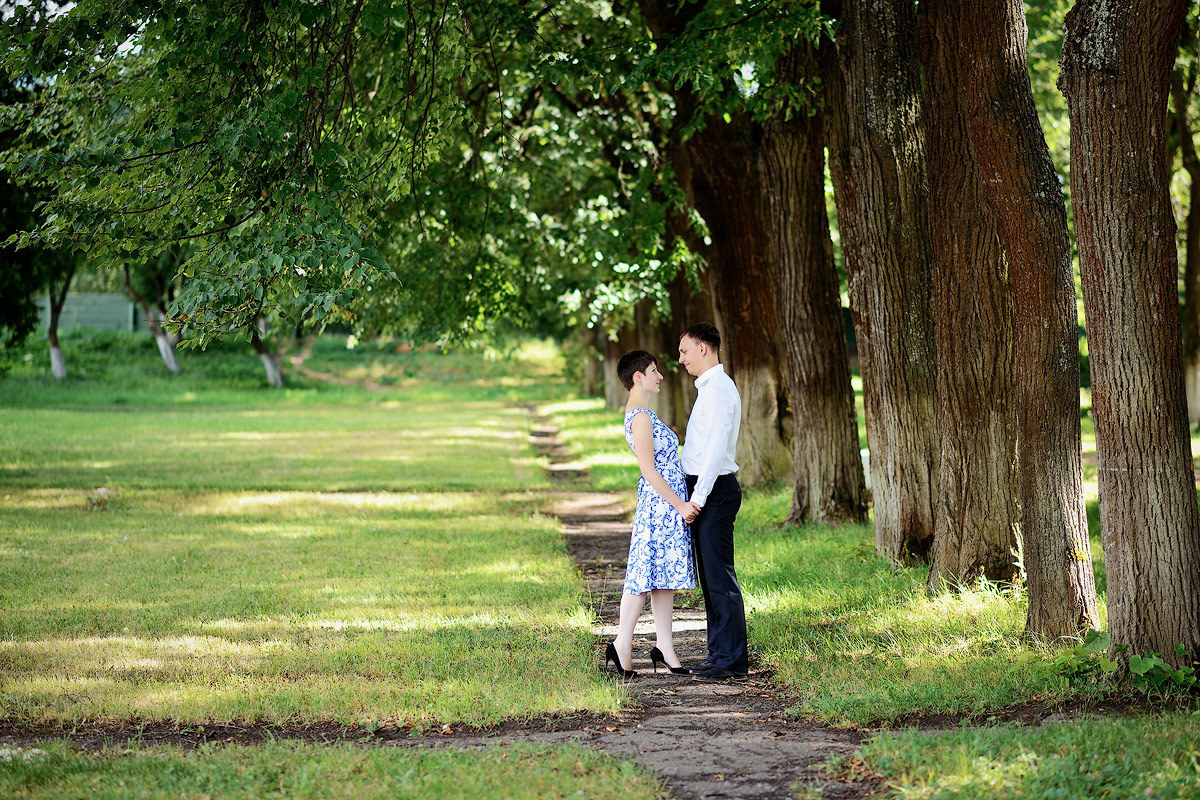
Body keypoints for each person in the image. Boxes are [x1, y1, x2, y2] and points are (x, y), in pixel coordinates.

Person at [605, 349, 700, 678]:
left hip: (664, 506)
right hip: (660, 507)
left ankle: (665, 647)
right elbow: (648, 470)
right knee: (643, 577)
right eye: (654, 370)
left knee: (662, 581)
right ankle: (621, 644)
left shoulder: (644, 413)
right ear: (638, 378)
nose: (660, 376)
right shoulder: (641, 417)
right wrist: (681, 505)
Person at [677, 323, 748, 681]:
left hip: (714, 492)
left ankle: (733, 661)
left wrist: (697, 499)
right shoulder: (708, 388)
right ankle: (718, 653)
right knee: (710, 579)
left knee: (721, 578)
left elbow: (716, 451)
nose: (681, 359)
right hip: (706, 491)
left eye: (685, 351)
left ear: (703, 348)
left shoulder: (719, 388)